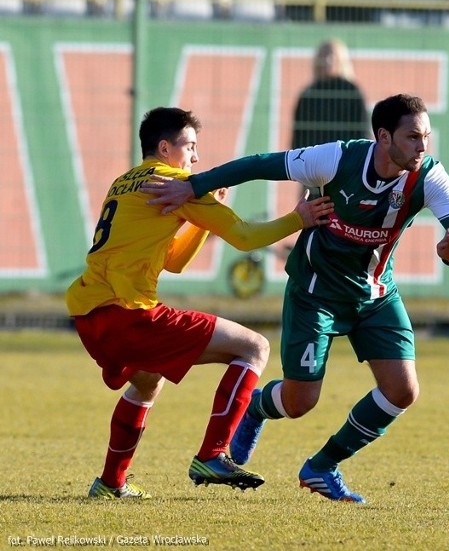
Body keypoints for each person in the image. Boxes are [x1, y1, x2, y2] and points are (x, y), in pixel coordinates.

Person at [141, 94, 449, 504]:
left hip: (374, 295)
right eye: (413, 137)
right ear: (383, 136)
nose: (423, 146)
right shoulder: (337, 159)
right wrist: (193, 186)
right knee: (300, 401)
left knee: (403, 391)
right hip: (315, 293)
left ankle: (322, 466)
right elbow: (260, 164)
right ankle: (255, 407)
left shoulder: (428, 175)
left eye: (426, 136)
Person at [66, 107, 333, 499]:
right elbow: (243, 236)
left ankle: (110, 484)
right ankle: (213, 454)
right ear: (164, 147)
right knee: (254, 348)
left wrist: (199, 223)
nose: (195, 158)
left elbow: (172, 261)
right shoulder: (178, 182)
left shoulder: (124, 182)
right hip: (129, 313)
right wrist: (299, 218)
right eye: (190, 146)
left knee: (146, 380)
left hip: (88, 313)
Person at [292, 38, 370, 149]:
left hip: (345, 158)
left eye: (332, 56)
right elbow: (299, 134)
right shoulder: (308, 94)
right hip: (314, 159)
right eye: (324, 55)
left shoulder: (351, 91)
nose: (328, 60)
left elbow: (362, 130)